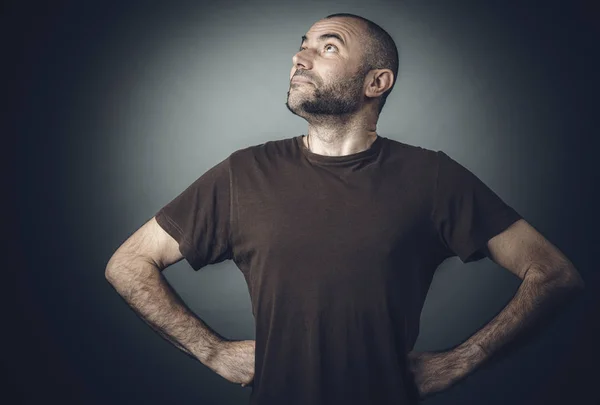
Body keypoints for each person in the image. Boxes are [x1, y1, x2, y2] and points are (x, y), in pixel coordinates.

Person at [105, 13, 585, 405]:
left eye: (327, 47)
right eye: (302, 45)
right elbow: (128, 264)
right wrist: (210, 351)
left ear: (376, 81)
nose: (299, 57)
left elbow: (554, 274)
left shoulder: (433, 178)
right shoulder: (242, 173)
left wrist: (463, 359)